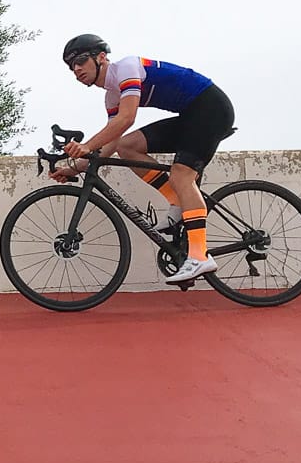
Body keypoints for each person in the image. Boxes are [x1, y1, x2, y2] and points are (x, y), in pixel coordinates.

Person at [49, 33, 235, 285]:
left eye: (81, 61)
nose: (77, 69)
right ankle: (176, 200)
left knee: (182, 175)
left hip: (210, 109)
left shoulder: (126, 68)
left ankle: (199, 256)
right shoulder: (111, 96)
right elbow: (113, 141)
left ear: (101, 57)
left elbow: (127, 119)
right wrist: (77, 168)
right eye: (72, 66)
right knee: (128, 146)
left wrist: (86, 145)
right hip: (191, 115)